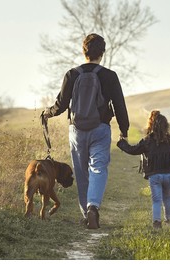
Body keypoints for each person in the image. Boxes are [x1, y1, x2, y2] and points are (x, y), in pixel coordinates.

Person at [42, 33, 130, 229]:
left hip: (77, 130)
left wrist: (47, 113)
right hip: (101, 129)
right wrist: (124, 131)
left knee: (82, 173)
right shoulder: (110, 76)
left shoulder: (72, 74)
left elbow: (61, 105)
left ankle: (85, 214)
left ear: (84, 51)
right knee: (98, 168)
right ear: (102, 53)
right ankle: (93, 207)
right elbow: (119, 106)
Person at [117, 110, 170, 229]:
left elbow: (133, 150)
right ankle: (169, 222)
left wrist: (121, 143)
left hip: (155, 175)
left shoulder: (147, 140)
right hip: (169, 174)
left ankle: (157, 223)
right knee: (167, 197)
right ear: (166, 126)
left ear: (151, 125)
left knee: (156, 200)